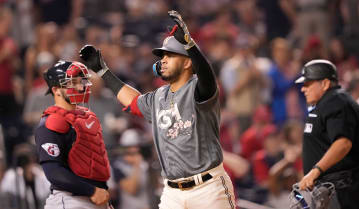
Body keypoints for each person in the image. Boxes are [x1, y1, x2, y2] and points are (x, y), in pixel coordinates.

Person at [79, 10, 236, 209]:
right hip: (172, 192)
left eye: (170, 55)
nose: (163, 59)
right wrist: (103, 71)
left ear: (188, 62)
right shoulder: (158, 96)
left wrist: (190, 45)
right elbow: (133, 102)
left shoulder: (198, 88)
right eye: (162, 56)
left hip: (207, 188)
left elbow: (207, 76)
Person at [34, 60, 112, 209]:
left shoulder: (86, 117)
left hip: (95, 198)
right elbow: (54, 172)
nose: (80, 86)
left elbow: (94, 164)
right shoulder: (51, 123)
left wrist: (103, 197)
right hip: (70, 200)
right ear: (56, 90)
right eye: (72, 83)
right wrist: (92, 191)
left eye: (81, 81)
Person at [296, 59, 359, 209]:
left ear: (324, 83)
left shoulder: (337, 101)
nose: (303, 89)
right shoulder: (327, 103)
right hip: (335, 190)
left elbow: (343, 143)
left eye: (308, 83)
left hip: (345, 191)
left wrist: (315, 171)